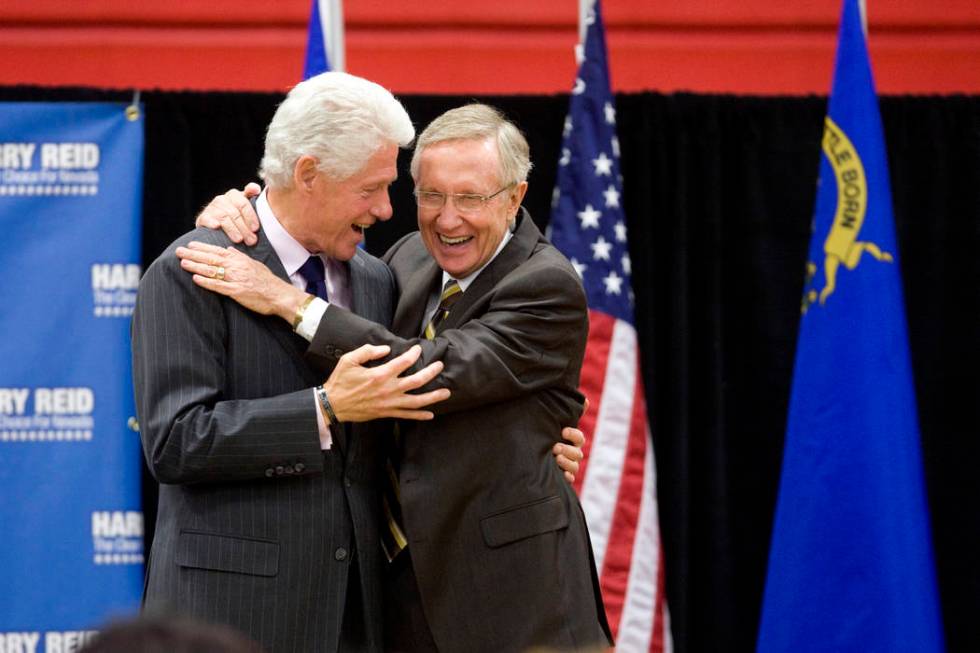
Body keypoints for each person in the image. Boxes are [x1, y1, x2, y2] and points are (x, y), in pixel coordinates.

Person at [136, 73, 584, 653]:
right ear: (308, 174)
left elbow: (428, 376)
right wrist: (322, 410)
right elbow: (174, 442)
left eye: (469, 197)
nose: (387, 209)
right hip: (231, 612)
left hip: (363, 611)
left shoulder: (377, 276)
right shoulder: (195, 271)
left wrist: (522, 443)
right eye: (372, 189)